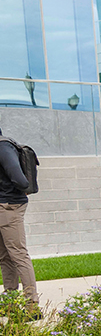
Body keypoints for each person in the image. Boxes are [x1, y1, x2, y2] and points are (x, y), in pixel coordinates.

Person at [0, 127, 38, 317]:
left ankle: (32, 306)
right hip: (2, 207)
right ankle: (10, 303)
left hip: (9, 207)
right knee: (5, 257)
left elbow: (21, 181)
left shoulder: (3, 147)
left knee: (18, 255)